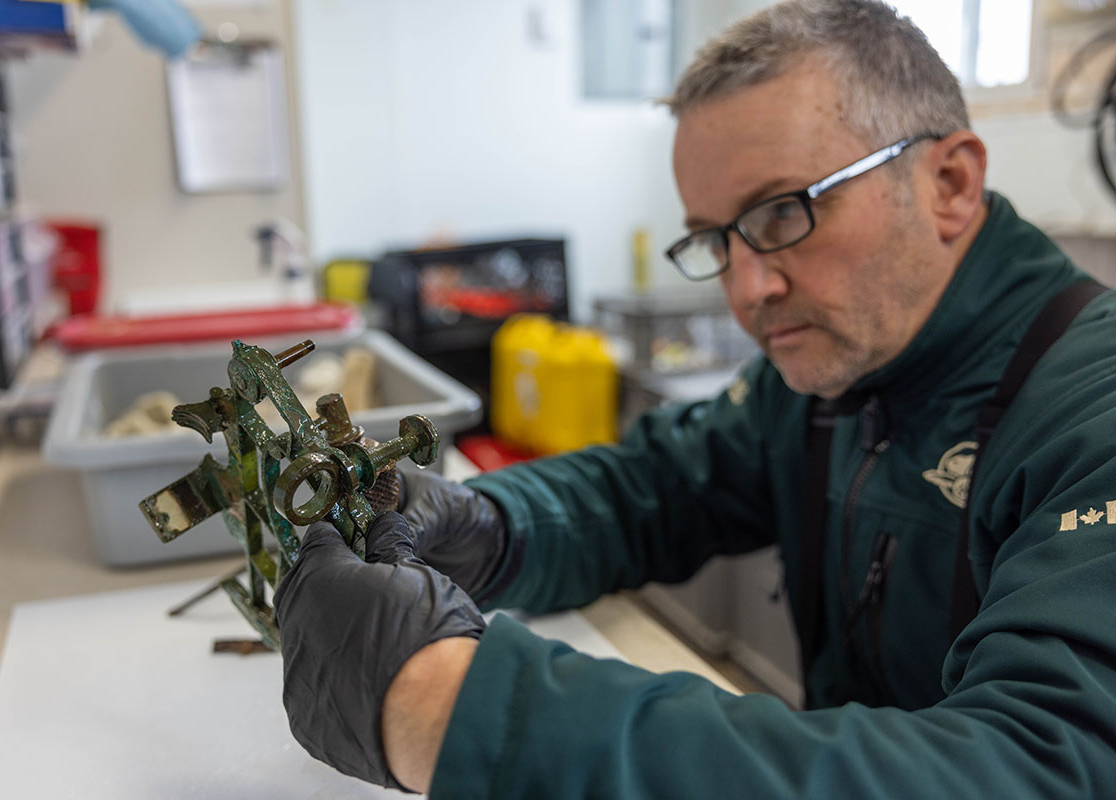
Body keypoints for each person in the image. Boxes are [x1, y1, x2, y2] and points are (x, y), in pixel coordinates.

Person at [272, 0, 1116, 796]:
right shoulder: (834, 374)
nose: (748, 287)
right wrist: (492, 527)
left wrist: (461, 711)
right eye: (715, 238)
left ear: (952, 183)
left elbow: (1043, 765)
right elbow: (660, 486)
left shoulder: (1090, 411)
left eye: (784, 213)